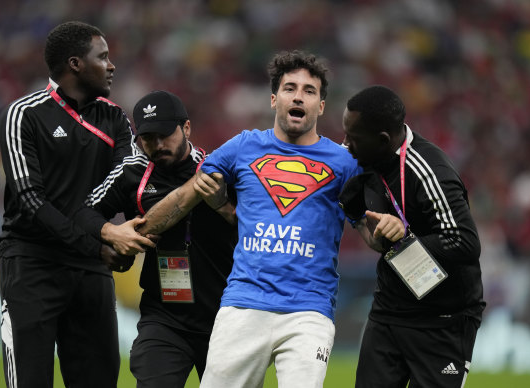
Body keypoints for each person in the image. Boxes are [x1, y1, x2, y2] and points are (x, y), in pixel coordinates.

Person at [122, 50, 401, 388]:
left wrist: (387, 230)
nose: (298, 96)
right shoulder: (242, 147)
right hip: (243, 304)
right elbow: (186, 195)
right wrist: (137, 230)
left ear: (321, 106)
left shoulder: (344, 163)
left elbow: (368, 230)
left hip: (308, 310)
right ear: (273, 99)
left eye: (309, 91)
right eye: (290, 88)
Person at [0, 21, 138, 388]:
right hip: (32, 264)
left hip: (91, 269)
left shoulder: (114, 118)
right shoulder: (23, 114)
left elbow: (130, 183)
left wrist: (132, 232)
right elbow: (30, 200)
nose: (111, 65)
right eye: (102, 57)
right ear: (75, 63)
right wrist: (101, 244)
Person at [73, 90, 237, 388]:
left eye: (165, 134)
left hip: (226, 319)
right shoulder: (131, 173)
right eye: (148, 137)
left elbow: (257, 227)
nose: (157, 145)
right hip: (164, 320)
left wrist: (225, 207)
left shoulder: (222, 170)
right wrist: (111, 234)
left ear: (186, 128)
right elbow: (82, 212)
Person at [340, 85, 485, 387]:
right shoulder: (362, 161)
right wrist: (358, 220)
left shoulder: (429, 171)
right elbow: (371, 231)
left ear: (382, 140)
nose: (346, 145)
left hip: (443, 319)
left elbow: (465, 242)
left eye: (353, 138)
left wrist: (406, 235)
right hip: (389, 311)